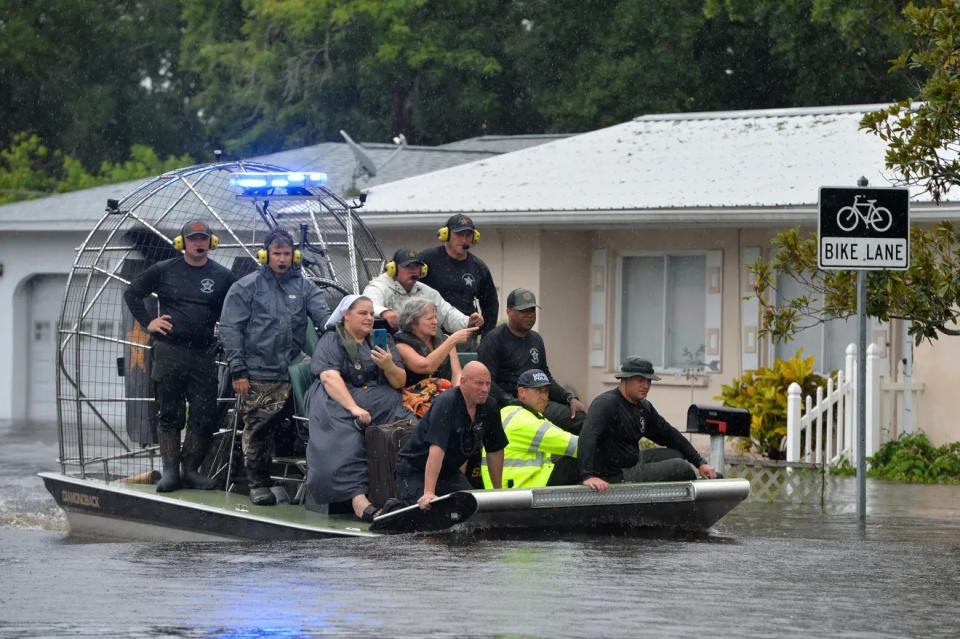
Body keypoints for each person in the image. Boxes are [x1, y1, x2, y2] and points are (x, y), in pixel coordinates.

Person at [219, 228, 332, 506]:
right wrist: (239, 371)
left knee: (295, 430)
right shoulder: (246, 287)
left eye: (286, 254)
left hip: (293, 372)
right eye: (276, 253)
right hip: (258, 372)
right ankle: (257, 483)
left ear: (294, 256)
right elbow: (231, 329)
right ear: (265, 255)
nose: (282, 259)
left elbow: (325, 319)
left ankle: (299, 480)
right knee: (257, 429)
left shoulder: (305, 288)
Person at [122, 219, 235, 492]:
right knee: (169, 412)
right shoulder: (163, 270)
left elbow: (236, 308)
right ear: (183, 242)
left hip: (203, 354)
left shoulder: (222, 276)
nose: (198, 243)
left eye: (203, 238)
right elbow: (132, 294)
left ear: (211, 243)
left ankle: (191, 469)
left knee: (204, 412)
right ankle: (170, 471)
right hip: (169, 351)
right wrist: (149, 322)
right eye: (193, 238)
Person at [304, 295, 416, 521]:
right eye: (362, 313)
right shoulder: (332, 339)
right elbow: (329, 377)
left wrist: (388, 366)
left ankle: (411, 492)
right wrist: (353, 408)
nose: (368, 318)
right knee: (344, 432)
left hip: (378, 399)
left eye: (371, 314)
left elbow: (399, 381)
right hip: (335, 398)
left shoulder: (381, 341)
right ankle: (358, 501)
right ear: (346, 315)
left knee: (410, 427)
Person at [579, 357, 719, 492]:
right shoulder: (606, 403)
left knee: (676, 454)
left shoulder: (643, 407)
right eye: (640, 380)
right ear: (625, 379)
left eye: (649, 381)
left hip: (634, 461)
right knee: (680, 467)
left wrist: (700, 463)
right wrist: (589, 476)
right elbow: (587, 436)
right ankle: (689, 503)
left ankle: (676, 494)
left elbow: (669, 434)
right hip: (615, 474)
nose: (646, 386)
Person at [395, 361, 507, 509]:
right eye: (479, 384)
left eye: (488, 384)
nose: (485, 389)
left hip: (448, 472)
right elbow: (437, 448)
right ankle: (388, 509)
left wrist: (498, 491)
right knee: (428, 510)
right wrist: (429, 492)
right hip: (414, 469)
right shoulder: (447, 402)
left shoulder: (490, 406)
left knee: (470, 508)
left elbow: (495, 450)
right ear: (463, 382)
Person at [477, 287, 587, 434]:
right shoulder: (494, 339)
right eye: (523, 311)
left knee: (583, 420)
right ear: (509, 311)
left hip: (539, 403)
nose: (529, 315)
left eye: (532, 311)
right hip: (509, 407)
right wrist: (514, 402)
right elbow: (488, 382)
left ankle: (564, 458)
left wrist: (569, 397)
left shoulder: (536, 339)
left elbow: (545, 377)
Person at [480, 368, 579, 489]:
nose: (544, 397)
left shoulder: (509, 411)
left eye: (546, 391)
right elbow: (575, 445)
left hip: (508, 488)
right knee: (583, 457)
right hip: (518, 491)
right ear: (522, 392)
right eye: (538, 391)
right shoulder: (524, 421)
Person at [419, 214, 498, 351]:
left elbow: (490, 304)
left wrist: (486, 338)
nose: (464, 239)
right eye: (459, 234)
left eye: (468, 235)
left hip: (465, 335)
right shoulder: (427, 259)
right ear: (446, 234)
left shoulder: (478, 266)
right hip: (431, 333)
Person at [362, 248, 483, 334]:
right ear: (393, 269)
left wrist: (468, 321)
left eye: (417, 267)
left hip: (416, 347)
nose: (414, 271)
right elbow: (367, 304)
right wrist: (385, 313)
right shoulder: (378, 286)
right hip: (387, 347)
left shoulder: (427, 291)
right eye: (408, 267)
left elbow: (447, 314)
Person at [393, 298, 478, 416]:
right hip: (418, 400)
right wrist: (452, 340)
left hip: (446, 394)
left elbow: (457, 374)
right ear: (412, 323)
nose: (435, 322)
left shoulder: (445, 340)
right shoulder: (401, 346)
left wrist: (457, 396)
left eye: (435, 317)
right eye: (429, 319)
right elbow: (426, 366)